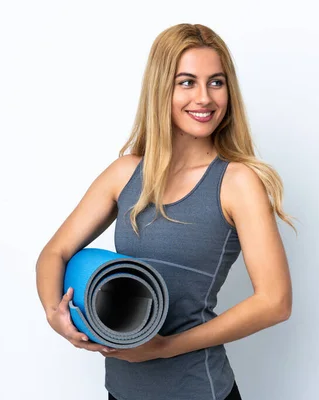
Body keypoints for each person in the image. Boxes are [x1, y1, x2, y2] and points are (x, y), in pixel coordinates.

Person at [36, 23, 296, 400]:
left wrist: (163, 347)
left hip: (198, 391)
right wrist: (54, 314)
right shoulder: (125, 174)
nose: (204, 98)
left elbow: (275, 302)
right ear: (162, 89)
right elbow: (53, 253)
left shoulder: (237, 182)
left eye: (216, 82)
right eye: (187, 82)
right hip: (122, 392)